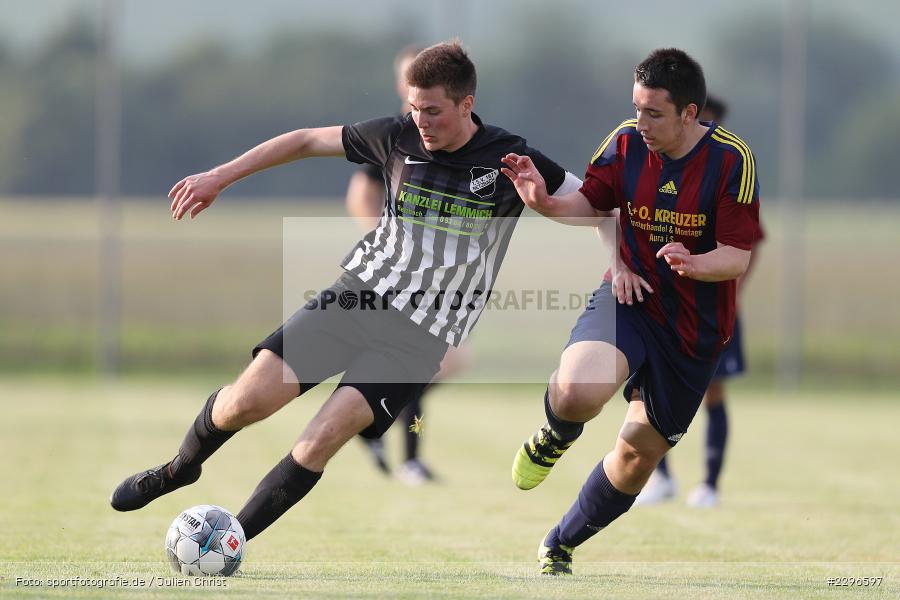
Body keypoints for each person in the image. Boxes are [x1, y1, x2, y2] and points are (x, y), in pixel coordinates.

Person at [109, 40, 583, 544]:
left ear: (467, 104)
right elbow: (305, 140)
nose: (420, 119)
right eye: (414, 107)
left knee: (320, 439)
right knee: (245, 402)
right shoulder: (396, 137)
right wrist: (219, 177)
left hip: (418, 339)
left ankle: (228, 543)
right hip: (355, 299)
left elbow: (594, 201)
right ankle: (179, 468)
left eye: (433, 110)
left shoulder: (511, 158)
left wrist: (571, 222)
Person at [501, 48, 760, 575]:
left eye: (653, 113)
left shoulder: (732, 160)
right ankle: (556, 434)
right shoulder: (624, 141)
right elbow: (596, 203)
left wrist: (695, 261)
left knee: (638, 454)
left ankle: (561, 543)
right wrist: (546, 204)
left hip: (693, 328)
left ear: (691, 113)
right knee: (578, 391)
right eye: (636, 108)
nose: (639, 122)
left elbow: (737, 256)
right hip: (631, 298)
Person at [344, 45, 471, 485]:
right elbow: (360, 194)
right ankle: (405, 453)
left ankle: (373, 420)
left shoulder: (449, 132)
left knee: (440, 364)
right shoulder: (398, 135)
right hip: (406, 273)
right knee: (426, 362)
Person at [634, 94, 765, 509]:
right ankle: (661, 477)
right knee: (646, 389)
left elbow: (747, 245)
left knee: (714, 394)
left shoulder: (730, 170)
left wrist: (734, 291)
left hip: (714, 308)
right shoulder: (657, 165)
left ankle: (709, 484)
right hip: (662, 304)